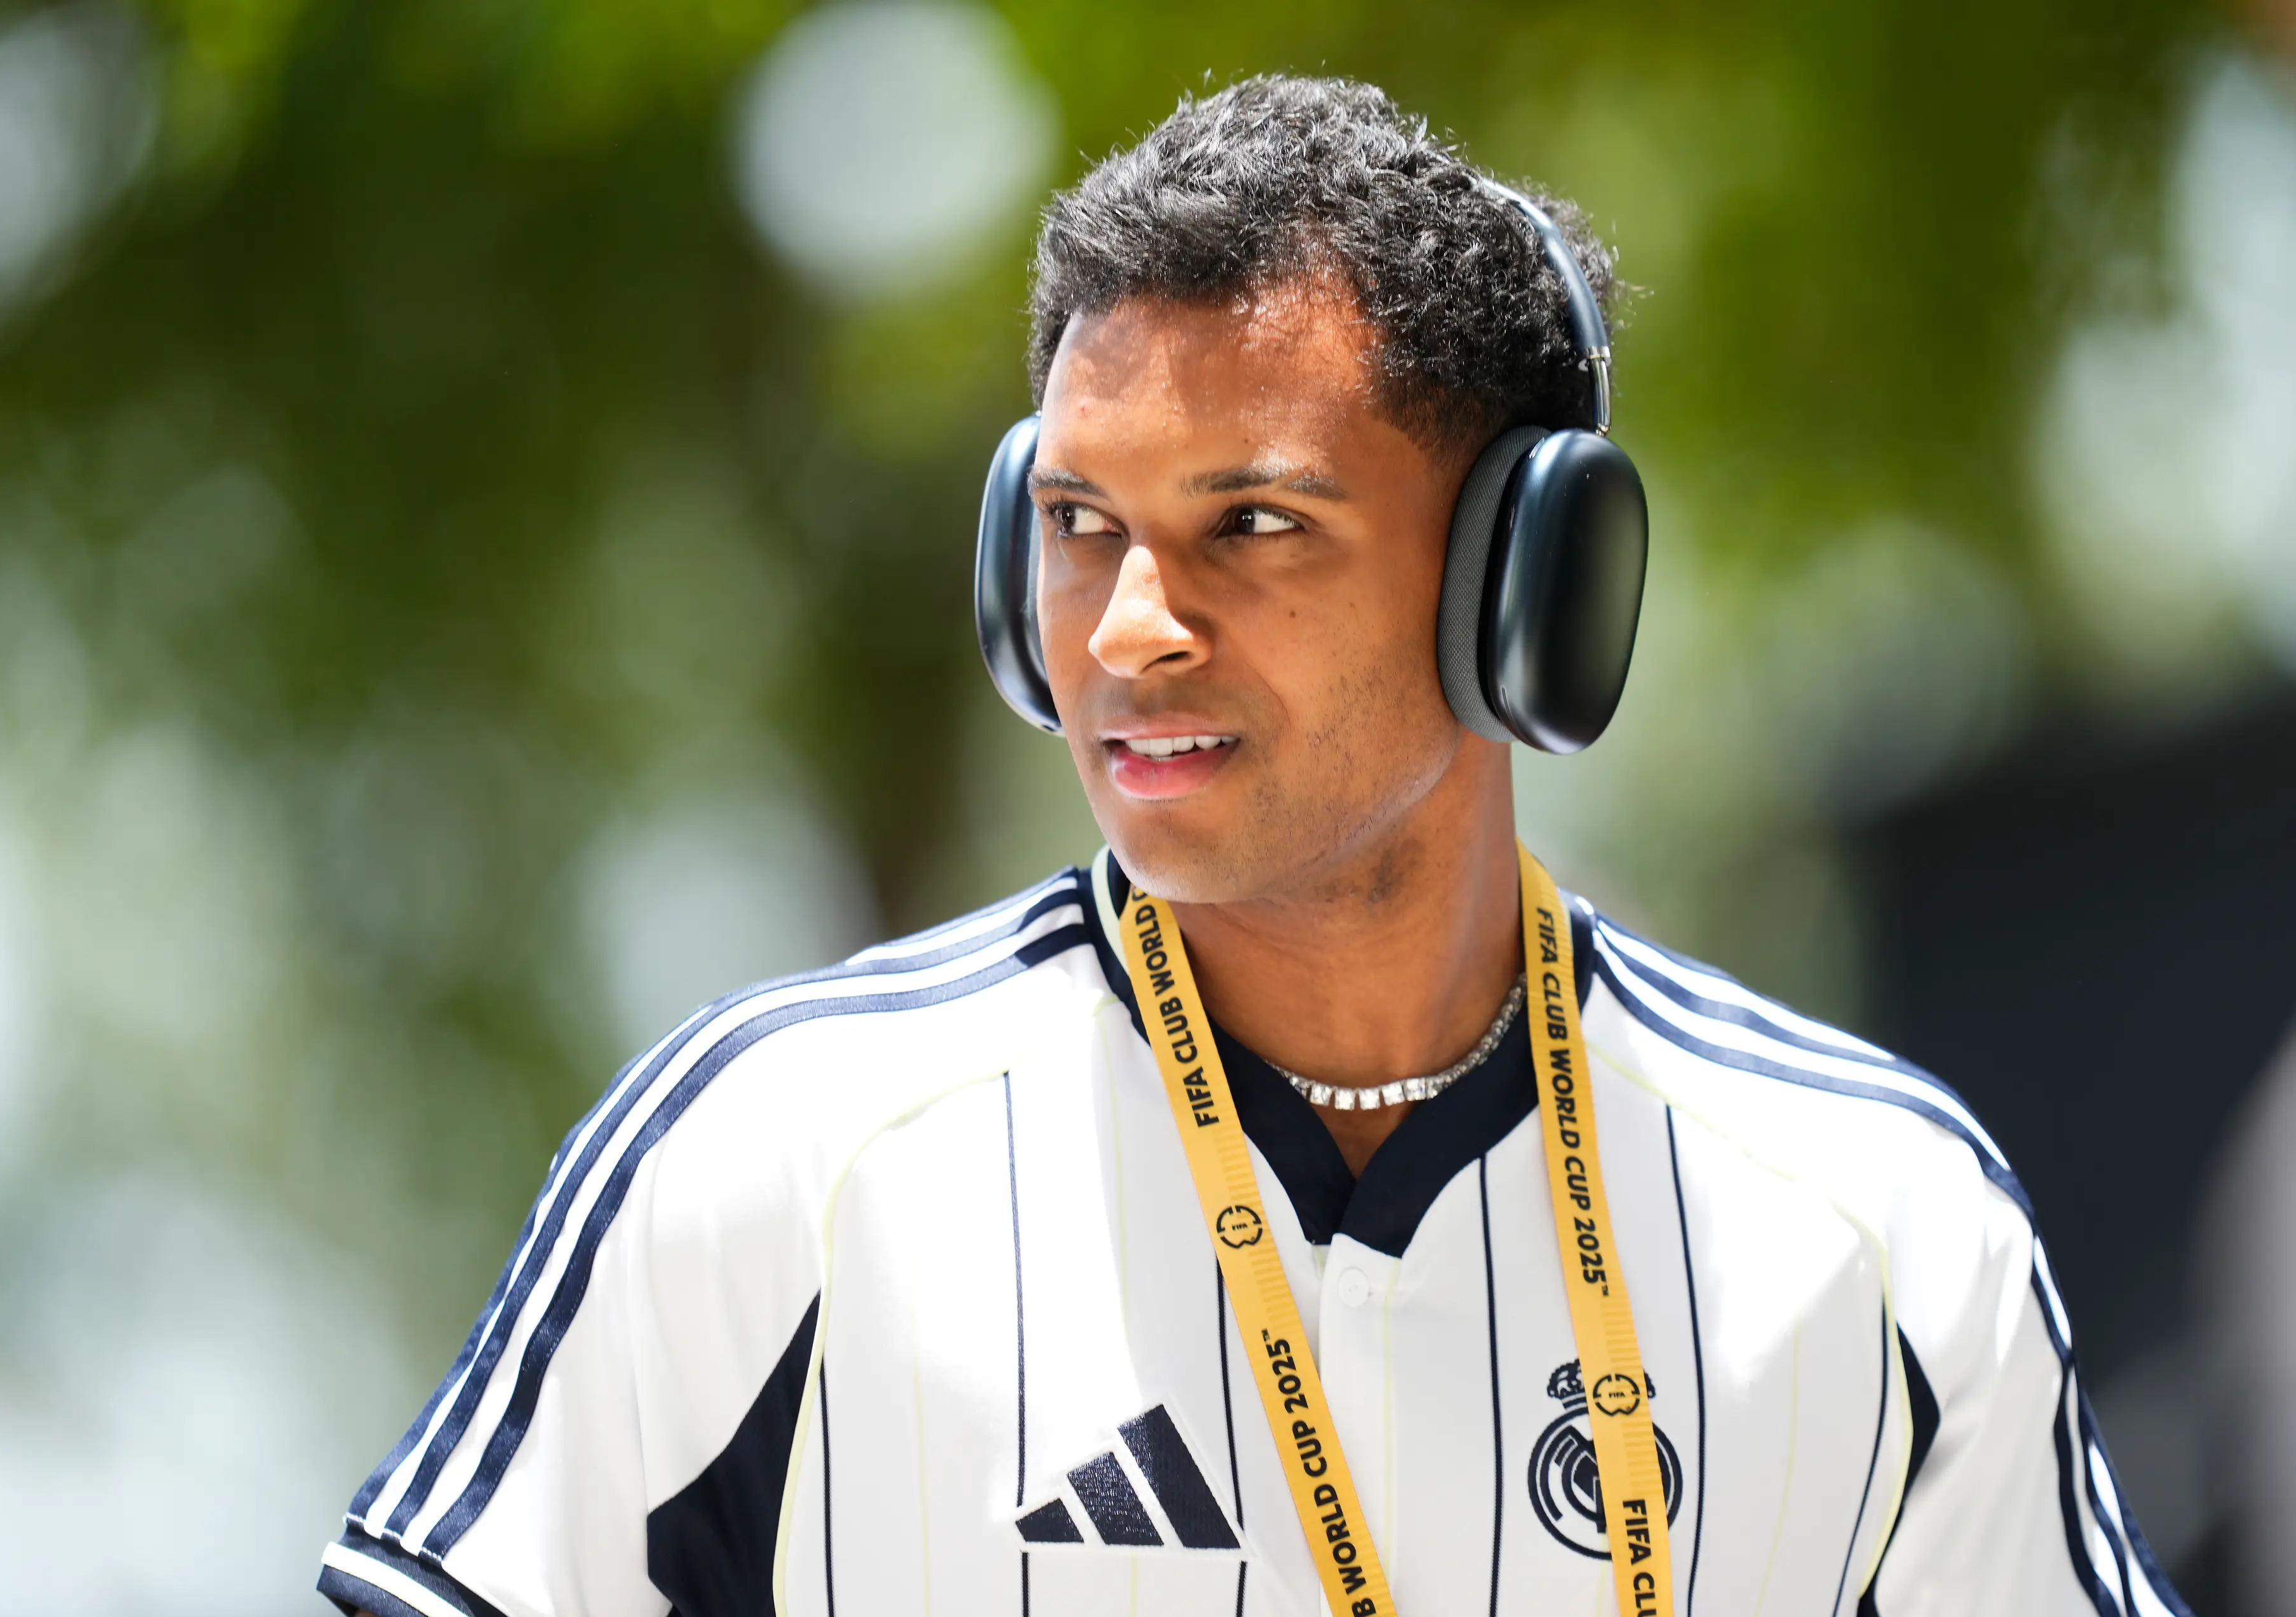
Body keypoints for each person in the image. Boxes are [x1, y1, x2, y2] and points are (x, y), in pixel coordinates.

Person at [318, 76, 2185, 1617]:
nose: (1127, 627)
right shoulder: (768, 1163)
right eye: (1075, 522)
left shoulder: (1879, 1225)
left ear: (1524, 586)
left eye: (1255, 526)